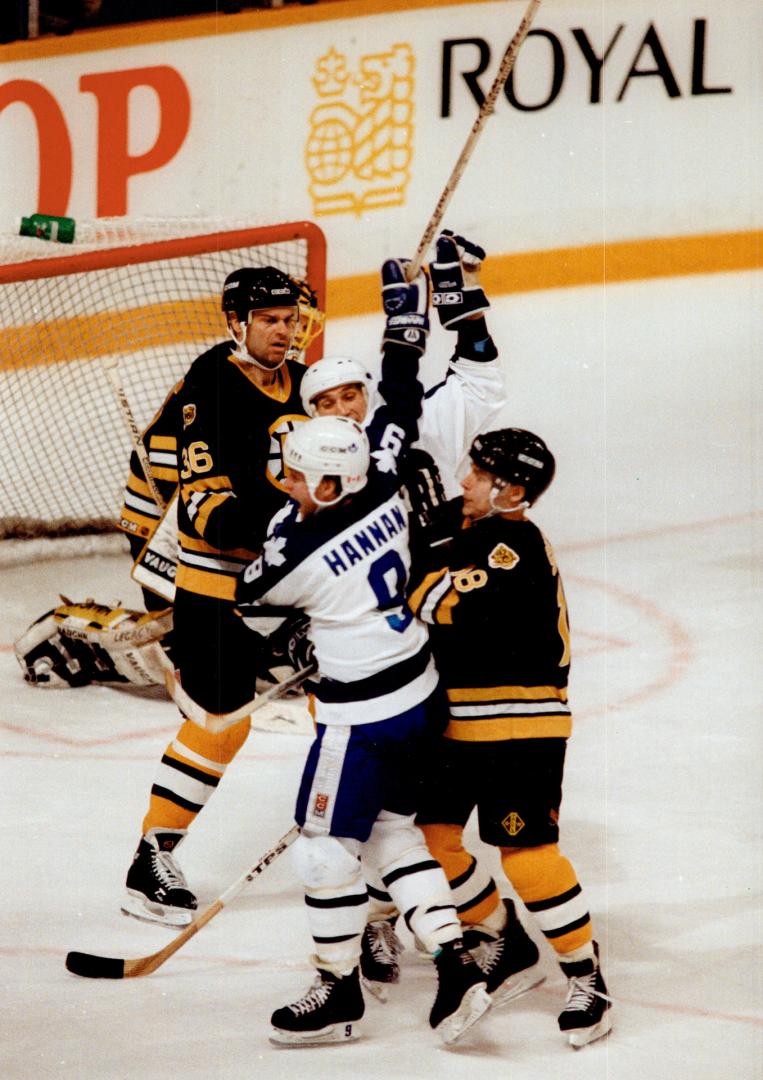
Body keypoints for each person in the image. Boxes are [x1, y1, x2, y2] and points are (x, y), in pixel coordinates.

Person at [235, 261, 491, 1046]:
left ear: (318, 481)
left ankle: (335, 989)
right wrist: (401, 322)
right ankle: (453, 961)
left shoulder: (291, 557)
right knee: (387, 830)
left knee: (321, 851)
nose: (287, 480)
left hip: (361, 718)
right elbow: (400, 398)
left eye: (297, 474)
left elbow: (250, 603)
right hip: (419, 689)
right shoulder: (381, 477)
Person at [406, 427, 613, 1049]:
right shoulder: (476, 534)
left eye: (476, 473)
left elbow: (434, 602)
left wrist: (421, 546)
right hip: (459, 721)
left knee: (527, 856)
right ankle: (507, 937)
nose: (463, 481)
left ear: (510, 488)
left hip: (522, 722)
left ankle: (587, 977)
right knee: (432, 839)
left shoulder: (511, 544)